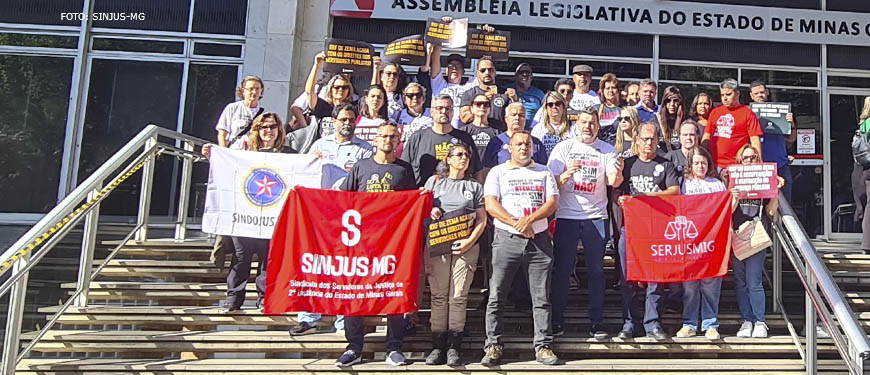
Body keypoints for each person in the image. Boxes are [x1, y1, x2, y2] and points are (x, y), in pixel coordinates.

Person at [335, 122, 417, 367]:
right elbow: (344, 201)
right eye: (383, 136)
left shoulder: (404, 169)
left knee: (393, 293)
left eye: (393, 136)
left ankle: (393, 347)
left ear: (399, 139)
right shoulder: (361, 167)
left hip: (392, 243)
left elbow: (411, 204)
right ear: (375, 139)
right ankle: (354, 347)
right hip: (361, 243)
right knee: (354, 293)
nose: (388, 141)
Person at [289, 104, 373, 336]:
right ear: (334, 121)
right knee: (315, 264)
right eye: (343, 119)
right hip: (321, 214)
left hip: (349, 215)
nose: (347, 123)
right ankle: (308, 318)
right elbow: (304, 174)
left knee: (345, 267)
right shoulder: (319, 145)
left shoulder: (365, 150)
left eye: (351, 119)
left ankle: (342, 319)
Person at [480, 130, 561, 366]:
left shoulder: (544, 171)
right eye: (519, 144)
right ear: (510, 148)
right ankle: (493, 345)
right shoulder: (498, 172)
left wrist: (530, 220)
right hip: (506, 238)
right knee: (496, 296)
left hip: (539, 240)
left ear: (533, 147)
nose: (524, 147)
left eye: (527, 144)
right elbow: (491, 205)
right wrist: (517, 223)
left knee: (541, 297)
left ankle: (543, 345)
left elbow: (552, 202)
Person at [548, 109, 623, 339]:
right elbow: (550, 183)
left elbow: (614, 180)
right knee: (561, 271)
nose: (588, 126)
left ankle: (597, 322)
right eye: (583, 122)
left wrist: (617, 174)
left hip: (595, 218)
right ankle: (557, 321)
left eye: (592, 123)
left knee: (597, 272)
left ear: (598, 126)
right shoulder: (563, 148)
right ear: (576, 124)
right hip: (567, 217)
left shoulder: (607, 150)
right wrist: (566, 175)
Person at [203, 113, 287, 312]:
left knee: (269, 259)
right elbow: (225, 171)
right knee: (241, 258)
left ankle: (265, 298)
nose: (268, 130)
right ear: (256, 130)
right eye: (263, 127)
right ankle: (233, 299)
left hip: (272, 219)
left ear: (279, 130)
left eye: (272, 126)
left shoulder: (289, 154)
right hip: (244, 216)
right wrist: (211, 156)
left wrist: (314, 160)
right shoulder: (242, 153)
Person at [423, 143, 487, 366]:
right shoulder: (434, 182)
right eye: (458, 155)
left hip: (465, 246)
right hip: (438, 245)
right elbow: (420, 208)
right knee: (439, 296)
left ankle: (454, 346)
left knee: (458, 296)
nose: (464, 158)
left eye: (467, 155)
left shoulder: (474, 186)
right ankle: (437, 345)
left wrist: (471, 240)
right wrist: (430, 209)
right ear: (448, 160)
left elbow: (482, 219)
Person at [615, 122, 680, 340]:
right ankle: (630, 323)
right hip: (631, 230)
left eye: (653, 139)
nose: (648, 143)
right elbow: (616, 191)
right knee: (628, 278)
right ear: (636, 140)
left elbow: (674, 191)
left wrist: (646, 198)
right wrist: (622, 200)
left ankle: (652, 323)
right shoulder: (628, 164)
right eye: (644, 138)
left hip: (657, 230)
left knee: (656, 279)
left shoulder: (666, 163)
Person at [677, 147, 732, 340]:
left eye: (703, 163)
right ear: (690, 165)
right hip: (690, 242)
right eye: (697, 163)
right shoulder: (684, 184)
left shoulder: (716, 184)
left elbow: (726, 211)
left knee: (710, 284)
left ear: (709, 164)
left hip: (712, 242)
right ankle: (689, 323)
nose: (700, 166)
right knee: (690, 286)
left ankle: (710, 324)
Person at [731, 144, 783, 339]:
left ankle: (759, 321)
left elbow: (771, 213)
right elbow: (725, 212)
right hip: (736, 235)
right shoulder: (732, 181)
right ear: (740, 161)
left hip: (756, 236)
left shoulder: (763, 182)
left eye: (753, 157)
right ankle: (747, 320)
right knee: (740, 282)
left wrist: (775, 192)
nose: (750, 161)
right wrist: (734, 199)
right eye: (746, 158)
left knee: (754, 282)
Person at [402, 94, 482, 186]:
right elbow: (404, 168)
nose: (444, 111)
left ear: (452, 112)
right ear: (431, 112)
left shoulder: (465, 138)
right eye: (439, 108)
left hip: (457, 194)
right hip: (424, 194)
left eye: (448, 108)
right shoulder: (418, 137)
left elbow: (476, 170)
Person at [750, 80, 797, 202]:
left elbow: (791, 139)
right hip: (758, 167)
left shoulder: (780, 112)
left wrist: (791, 123)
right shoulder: (748, 114)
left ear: (767, 92)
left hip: (781, 166)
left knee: (786, 208)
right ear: (751, 95)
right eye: (756, 93)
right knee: (761, 206)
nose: (760, 95)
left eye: (762, 92)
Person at [702, 78, 763, 169]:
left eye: (728, 94)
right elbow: (707, 136)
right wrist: (701, 156)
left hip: (737, 165)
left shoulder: (747, 113)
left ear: (737, 94)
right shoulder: (715, 112)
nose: (725, 98)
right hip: (714, 164)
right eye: (722, 95)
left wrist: (758, 164)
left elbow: (754, 140)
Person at [302, 52, 356, 137]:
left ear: (349, 90)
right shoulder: (323, 106)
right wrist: (317, 64)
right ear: (331, 89)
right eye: (337, 87)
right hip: (323, 147)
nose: (341, 90)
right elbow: (309, 92)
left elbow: (373, 94)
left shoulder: (353, 108)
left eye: (345, 87)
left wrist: (375, 68)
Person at [483, 102, 549, 169]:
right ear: (506, 118)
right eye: (513, 115)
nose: (517, 118)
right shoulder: (496, 141)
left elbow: (543, 168)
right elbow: (486, 168)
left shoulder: (535, 143)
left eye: (521, 115)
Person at [459, 56, 517, 125]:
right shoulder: (469, 94)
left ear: (495, 72)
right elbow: (465, 118)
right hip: (475, 134)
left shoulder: (505, 94)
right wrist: (483, 101)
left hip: (499, 134)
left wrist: (515, 100)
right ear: (478, 74)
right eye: (483, 70)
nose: (487, 73)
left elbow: (515, 118)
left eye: (490, 70)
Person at [216, 75, 266, 149]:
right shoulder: (232, 108)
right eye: (251, 89)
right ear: (243, 91)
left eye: (257, 89)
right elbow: (222, 134)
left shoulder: (263, 114)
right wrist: (224, 153)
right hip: (234, 151)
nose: (254, 92)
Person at [531, 91, 577, 158]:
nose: (554, 107)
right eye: (550, 104)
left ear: (563, 106)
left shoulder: (574, 127)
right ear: (546, 108)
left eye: (558, 104)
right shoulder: (538, 129)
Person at [460, 93, 503, 161]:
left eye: (486, 104)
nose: (482, 106)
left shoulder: (498, 132)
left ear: (489, 109)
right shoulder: (463, 132)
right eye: (478, 104)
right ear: (472, 109)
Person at [853, 96, 870, 255]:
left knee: (865, 207)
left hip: (861, 169)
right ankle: (867, 244)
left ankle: (866, 243)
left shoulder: (864, 124)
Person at [505, 63, 545, 129]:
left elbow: (545, 113)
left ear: (531, 77)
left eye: (527, 73)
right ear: (516, 76)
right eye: (521, 72)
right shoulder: (507, 90)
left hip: (533, 131)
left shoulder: (539, 93)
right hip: (512, 129)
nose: (524, 75)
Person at [656, 86, 685, 152]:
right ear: (664, 102)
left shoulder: (686, 121)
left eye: (675, 101)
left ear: (680, 102)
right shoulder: (656, 120)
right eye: (668, 101)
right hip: (662, 158)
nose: (672, 104)